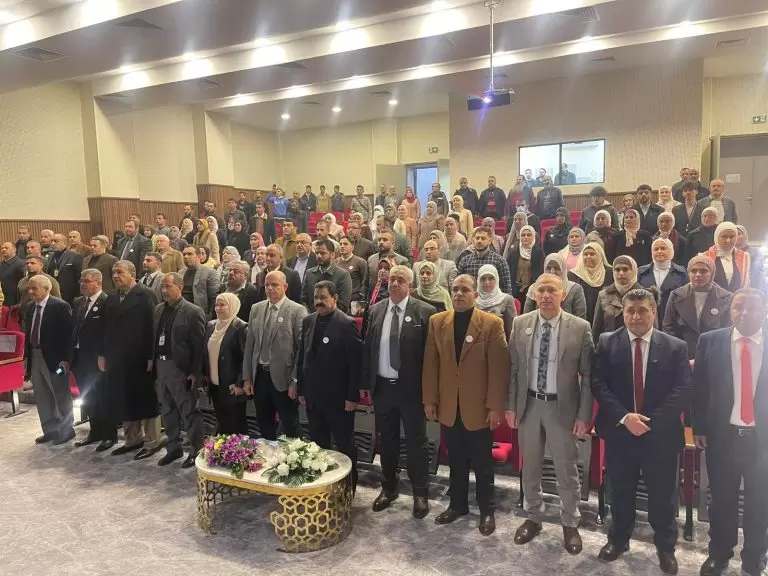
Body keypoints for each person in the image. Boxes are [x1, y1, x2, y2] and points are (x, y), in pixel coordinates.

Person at [591, 288, 691, 573]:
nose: (635, 316)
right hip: (620, 432)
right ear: (623, 313)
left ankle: (665, 547)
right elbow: (598, 384)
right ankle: (618, 540)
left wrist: (649, 422)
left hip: (661, 436)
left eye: (642, 310)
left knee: (663, 496)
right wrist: (625, 418)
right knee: (620, 491)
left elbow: (683, 389)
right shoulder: (607, 342)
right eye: (630, 311)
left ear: (654, 312)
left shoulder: (675, 347)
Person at [508, 272, 593, 553]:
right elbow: (513, 370)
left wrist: (583, 415)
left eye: (551, 290)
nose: (545, 295)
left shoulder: (580, 327)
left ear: (562, 295)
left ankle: (570, 522)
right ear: (534, 294)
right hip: (529, 405)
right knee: (530, 466)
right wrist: (511, 406)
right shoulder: (520, 323)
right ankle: (533, 516)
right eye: (541, 290)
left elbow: (588, 376)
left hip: (562, 408)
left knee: (566, 468)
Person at [423, 275, 509, 535]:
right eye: (455, 289)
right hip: (450, 405)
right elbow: (431, 365)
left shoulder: (492, 323)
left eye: (465, 290)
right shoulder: (437, 322)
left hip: (479, 408)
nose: (459, 294)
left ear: (475, 294)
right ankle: (457, 505)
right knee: (456, 460)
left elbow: (499, 369)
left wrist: (495, 407)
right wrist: (430, 400)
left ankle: (487, 510)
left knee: (482, 463)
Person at [693, 289, 768, 576]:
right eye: (739, 306)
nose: (745, 313)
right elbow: (700, 388)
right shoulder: (710, 341)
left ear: (765, 311)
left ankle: (754, 557)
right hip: (723, 437)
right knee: (722, 500)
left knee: (760, 502)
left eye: (753, 307)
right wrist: (699, 427)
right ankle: (719, 554)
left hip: (762, 440)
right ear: (730, 309)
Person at [363, 265, 435, 518]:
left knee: (417, 443)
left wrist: (430, 394)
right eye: (391, 279)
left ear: (410, 286)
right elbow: (368, 349)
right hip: (383, 387)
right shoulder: (375, 310)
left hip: (412, 391)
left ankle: (420, 493)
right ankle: (389, 487)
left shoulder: (425, 312)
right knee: (387, 441)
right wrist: (367, 384)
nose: (394, 283)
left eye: (400, 280)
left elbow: (431, 358)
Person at [297, 281, 362, 490]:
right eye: (316, 298)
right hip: (314, 398)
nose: (319, 302)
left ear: (335, 298)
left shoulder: (346, 324)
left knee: (345, 446)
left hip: (339, 400)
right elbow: (302, 356)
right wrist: (301, 388)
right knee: (318, 446)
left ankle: (348, 488)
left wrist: (352, 396)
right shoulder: (308, 321)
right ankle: (322, 487)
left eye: (323, 298)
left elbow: (355, 364)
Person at [102, 260, 162, 459]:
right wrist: (103, 354)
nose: (116, 276)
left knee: (145, 398)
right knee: (124, 397)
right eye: (113, 272)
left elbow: (153, 327)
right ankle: (132, 439)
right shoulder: (112, 298)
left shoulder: (145, 295)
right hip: (117, 358)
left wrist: (150, 356)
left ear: (132, 274)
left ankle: (152, 441)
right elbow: (106, 330)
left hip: (140, 357)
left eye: (120, 272)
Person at [243, 270, 306, 439]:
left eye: (274, 285)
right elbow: (250, 345)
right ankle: (269, 453)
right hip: (260, 376)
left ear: (285, 287)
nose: (269, 288)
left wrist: (295, 380)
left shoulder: (297, 310)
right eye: (267, 285)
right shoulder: (256, 308)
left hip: (284, 378)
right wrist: (247, 377)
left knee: (290, 425)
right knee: (263, 422)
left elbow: (301, 349)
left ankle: (294, 455)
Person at [153, 273, 206, 468]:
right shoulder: (158, 309)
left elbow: (199, 347)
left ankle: (196, 450)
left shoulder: (193, 311)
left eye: (168, 286)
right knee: (167, 410)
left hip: (180, 368)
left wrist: (195, 373)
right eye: (162, 287)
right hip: (161, 365)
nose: (164, 291)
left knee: (189, 411)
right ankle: (173, 448)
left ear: (180, 287)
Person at [24, 275, 75, 445]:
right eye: (29, 288)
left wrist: (66, 359)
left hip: (55, 359)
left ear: (47, 289)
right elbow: (28, 333)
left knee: (60, 393)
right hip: (36, 355)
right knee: (42, 395)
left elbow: (68, 336)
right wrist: (26, 357)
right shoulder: (31, 306)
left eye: (35, 288)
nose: (31, 292)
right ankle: (50, 429)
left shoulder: (60, 306)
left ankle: (67, 429)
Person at [71, 269, 112, 450]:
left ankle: (109, 435)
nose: (83, 284)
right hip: (79, 356)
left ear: (98, 283)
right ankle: (95, 431)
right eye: (81, 280)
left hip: (97, 359)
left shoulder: (107, 302)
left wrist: (103, 355)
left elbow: (108, 333)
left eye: (87, 281)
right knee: (87, 398)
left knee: (102, 397)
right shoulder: (79, 302)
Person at [662, 255, 732, 359]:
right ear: (688, 273)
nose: (698, 275)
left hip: (714, 356)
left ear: (712, 273)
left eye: (703, 271)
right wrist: (679, 353)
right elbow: (669, 328)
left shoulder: (727, 298)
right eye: (693, 271)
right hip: (683, 355)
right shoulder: (676, 296)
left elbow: (728, 331)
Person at [202, 291, 250, 436]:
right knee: (222, 422)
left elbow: (245, 359)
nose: (218, 308)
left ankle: (239, 450)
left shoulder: (241, 327)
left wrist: (239, 383)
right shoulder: (210, 325)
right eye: (216, 305)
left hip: (232, 386)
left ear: (232, 306)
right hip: (215, 385)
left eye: (222, 305)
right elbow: (205, 354)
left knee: (236, 425)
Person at [593, 256, 654, 341]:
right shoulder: (604, 295)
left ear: (633, 271)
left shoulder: (645, 296)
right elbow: (596, 328)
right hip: (611, 344)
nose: (621, 273)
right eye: (617, 270)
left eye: (625, 269)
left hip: (639, 344)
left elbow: (654, 327)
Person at [524, 253, 587, 319]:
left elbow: (580, 320)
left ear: (563, 270)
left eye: (557, 268)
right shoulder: (534, 288)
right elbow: (527, 319)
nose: (552, 272)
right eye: (548, 268)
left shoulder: (575, 289)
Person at [638, 238, 687, 321]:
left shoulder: (682, 273)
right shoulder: (641, 272)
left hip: (673, 318)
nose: (659, 251)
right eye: (656, 249)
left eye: (663, 248)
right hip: (647, 318)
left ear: (671, 251)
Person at [301, 239, 352, 314]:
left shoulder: (343, 275)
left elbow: (343, 305)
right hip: (311, 318)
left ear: (332, 255)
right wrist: (311, 316)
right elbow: (303, 300)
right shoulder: (309, 273)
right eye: (317, 253)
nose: (319, 256)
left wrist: (324, 315)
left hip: (334, 319)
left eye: (323, 253)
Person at [567, 242, 613, 324]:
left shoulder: (610, 273)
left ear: (600, 255)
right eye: (585, 254)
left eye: (592, 254)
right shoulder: (573, 275)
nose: (588, 257)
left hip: (604, 318)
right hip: (580, 318)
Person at [458, 226, 513, 294]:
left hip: (493, 299)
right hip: (471, 299)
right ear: (473, 240)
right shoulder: (465, 261)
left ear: (489, 241)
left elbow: (507, 288)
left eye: (483, 238)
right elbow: (459, 284)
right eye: (477, 238)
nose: (479, 241)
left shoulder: (499, 261)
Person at [703, 221, 753, 292]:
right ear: (717, 237)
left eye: (732, 237)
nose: (728, 240)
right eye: (724, 237)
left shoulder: (745, 257)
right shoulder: (704, 257)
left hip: (737, 298)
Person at [178, 246, 220, 319]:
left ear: (199, 256)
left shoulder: (210, 273)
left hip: (199, 315)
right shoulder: (180, 272)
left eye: (190, 254)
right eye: (184, 254)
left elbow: (214, 298)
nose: (186, 257)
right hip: (181, 313)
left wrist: (209, 317)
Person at [476, 264, 517, 336]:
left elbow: (511, 330)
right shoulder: (473, 299)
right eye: (483, 279)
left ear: (496, 279)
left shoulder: (506, 299)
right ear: (478, 280)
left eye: (491, 278)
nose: (487, 282)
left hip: (499, 340)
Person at [17, 256, 61, 324]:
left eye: (32, 263)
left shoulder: (49, 280)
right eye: (27, 263)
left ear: (41, 265)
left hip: (45, 319)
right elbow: (19, 299)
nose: (29, 265)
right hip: (25, 319)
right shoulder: (22, 281)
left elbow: (58, 300)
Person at [506, 225, 544, 301]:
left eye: (529, 235)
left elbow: (540, 273)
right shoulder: (513, 252)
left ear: (533, 237)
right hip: (514, 290)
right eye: (523, 235)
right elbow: (508, 273)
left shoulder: (538, 252)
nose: (525, 237)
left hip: (531, 291)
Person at [44, 234, 83, 305]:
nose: (53, 243)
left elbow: (80, 277)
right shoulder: (50, 256)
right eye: (52, 241)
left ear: (64, 243)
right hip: (53, 292)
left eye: (56, 241)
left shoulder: (75, 256)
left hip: (69, 294)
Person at [335, 235, 367, 305]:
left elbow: (365, 281)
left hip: (354, 300)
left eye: (345, 244)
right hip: (339, 300)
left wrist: (361, 297)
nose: (342, 246)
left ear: (352, 247)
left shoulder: (360, 262)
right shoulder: (335, 262)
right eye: (340, 244)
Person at [736, 225, 766, 293]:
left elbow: (759, 274)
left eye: (739, 234)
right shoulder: (729, 254)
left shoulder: (755, 253)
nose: (736, 236)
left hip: (752, 290)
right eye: (734, 234)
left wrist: (762, 293)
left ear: (745, 235)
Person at [0, 242, 26, 307]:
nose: (3, 250)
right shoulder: (1, 264)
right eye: (2, 248)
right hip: (2, 302)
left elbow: (22, 285)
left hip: (14, 303)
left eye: (6, 248)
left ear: (14, 250)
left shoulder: (21, 264)